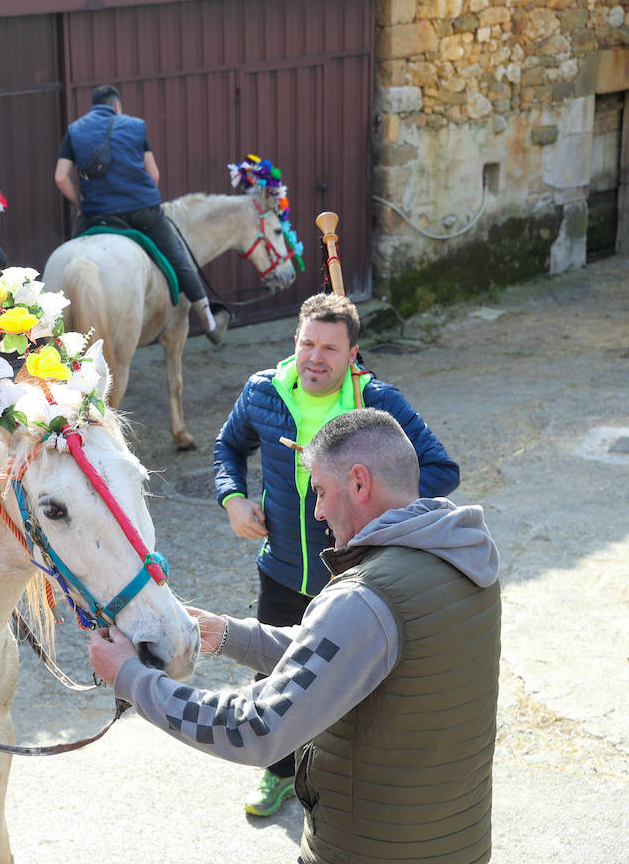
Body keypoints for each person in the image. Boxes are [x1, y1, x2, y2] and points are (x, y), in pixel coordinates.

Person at [91, 408, 500, 863]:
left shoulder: (364, 599)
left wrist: (130, 678)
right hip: (454, 843)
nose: (319, 511)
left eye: (321, 491)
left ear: (360, 483)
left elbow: (253, 728)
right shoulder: (458, 554)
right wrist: (227, 634)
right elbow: (352, 656)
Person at [213, 292, 459, 816]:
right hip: (280, 569)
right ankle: (277, 774)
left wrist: (368, 499)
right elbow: (227, 448)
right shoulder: (263, 393)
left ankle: (346, 779)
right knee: (273, 676)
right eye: (306, 343)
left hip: (356, 576)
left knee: (352, 684)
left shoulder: (377, 404)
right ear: (294, 342)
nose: (315, 357)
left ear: (353, 355)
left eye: (330, 347)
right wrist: (233, 498)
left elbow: (439, 470)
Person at [54, 84, 228, 344]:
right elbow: (154, 174)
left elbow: (60, 178)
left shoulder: (75, 130)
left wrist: (79, 202)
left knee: (70, 259)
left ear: (93, 107)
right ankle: (208, 320)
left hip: (97, 213)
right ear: (117, 107)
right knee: (178, 257)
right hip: (142, 212)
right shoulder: (135, 125)